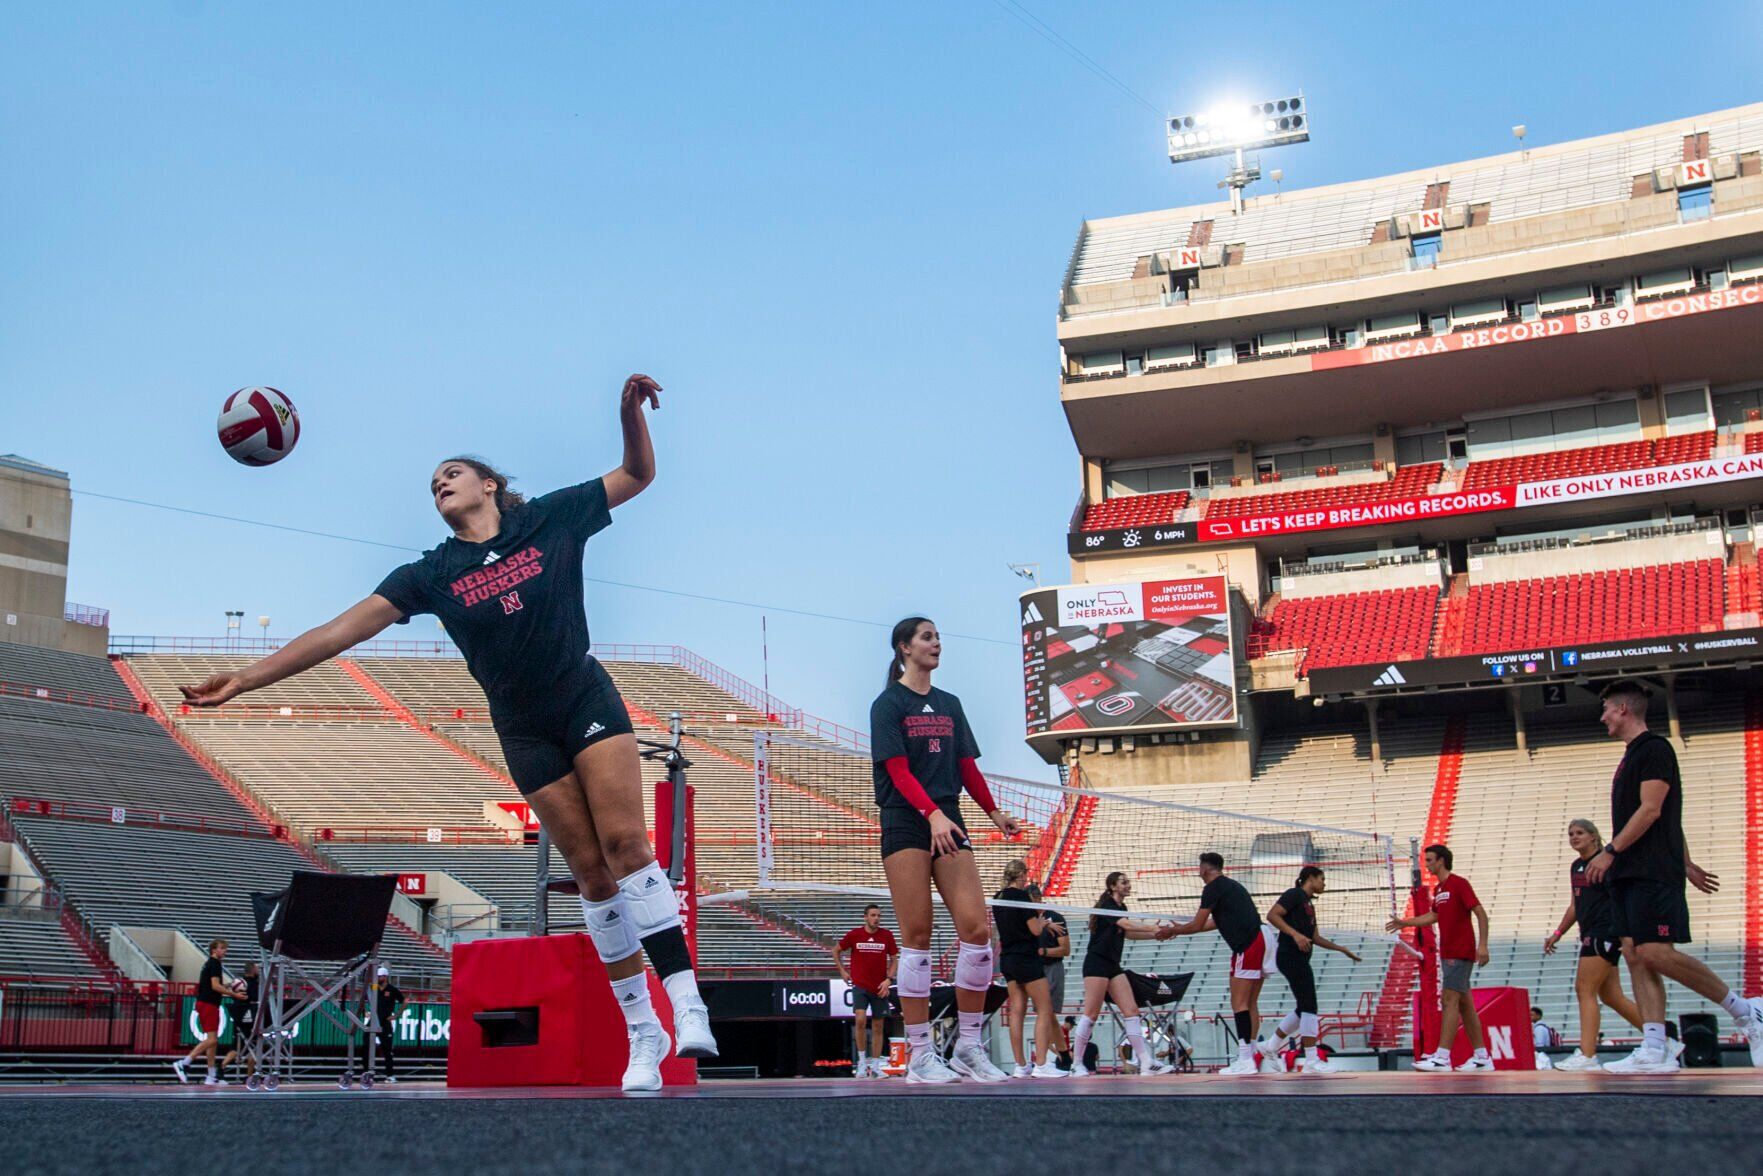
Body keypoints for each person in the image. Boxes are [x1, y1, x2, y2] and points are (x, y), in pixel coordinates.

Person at [177, 376, 717, 1093]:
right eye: (434, 483)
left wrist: (626, 415)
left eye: (453, 473)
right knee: (590, 874)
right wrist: (246, 679)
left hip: (582, 695)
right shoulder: (431, 573)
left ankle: (684, 1002)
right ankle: (640, 1033)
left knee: (626, 846)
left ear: (490, 484)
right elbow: (337, 631)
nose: (441, 484)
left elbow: (639, 475)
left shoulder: (550, 520)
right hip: (522, 727)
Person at [870, 616, 1022, 1084]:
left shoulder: (950, 704)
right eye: (927, 637)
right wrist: (931, 816)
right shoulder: (888, 704)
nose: (937, 644)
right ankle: (919, 1055)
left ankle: (969, 1048)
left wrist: (993, 812)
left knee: (977, 929)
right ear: (904, 648)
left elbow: (966, 767)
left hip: (948, 816)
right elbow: (897, 771)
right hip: (906, 819)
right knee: (916, 936)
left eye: (937, 637)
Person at [1583, 680, 1763, 1073]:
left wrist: (1610, 852)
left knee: (1654, 951)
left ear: (1623, 710)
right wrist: (1688, 862)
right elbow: (1666, 819)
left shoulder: (1655, 749)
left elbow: (1652, 811)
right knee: (1634, 955)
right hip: (1630, 873)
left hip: (1650, 871)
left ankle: (1747, 1012)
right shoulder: (1631, 757)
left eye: (1607, 710)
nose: (1603, 718)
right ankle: (1654, 1048)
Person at [1542, 817, 1645, 1071]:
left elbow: (1622, 899)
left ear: (1593, 836)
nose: (1574, 837)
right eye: (1570, 833)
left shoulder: (1608, 862)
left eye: (1579, 833)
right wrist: (1558, 932)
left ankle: (1588, 1054)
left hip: (1605, 932)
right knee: (1611, 996)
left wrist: (1626, 935)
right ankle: (1661, 1037)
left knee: (1583, 989)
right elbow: (1576, 905)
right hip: (1589, 931)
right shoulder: (1576, 866)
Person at [1387, 844, 1494, 1072]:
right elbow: (1433, 916)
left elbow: (1480, 913)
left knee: (1449, 999)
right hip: (1447, 952)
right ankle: (1482, 1057)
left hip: (1460, 951)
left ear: (1442, 861)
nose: (1427, 864)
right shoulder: (1439, 889)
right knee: (1465, 1005)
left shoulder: (1459, 883)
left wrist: (1482, 945)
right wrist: (1404, 922)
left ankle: (1442, 1056)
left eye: (1430, 860)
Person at [1163, 852, 1270, 1076]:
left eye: (1199, 867)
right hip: (1262, 938)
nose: (1198, 871)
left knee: (1239, 1003)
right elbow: (1212, 923)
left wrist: (1174, 930)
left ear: (1204, 869)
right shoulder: (1230, 885)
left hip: (1248, 943)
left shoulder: (1212, 888)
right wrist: (1180, 929)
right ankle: (1248, 1056)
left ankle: (1245, 1060)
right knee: (1250, 1002)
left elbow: (1197, 925)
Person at [1067, 871, 1176, 1076]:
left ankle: (1146, 1063)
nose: (1128, 885)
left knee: (1132, 1011)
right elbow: (1125, 924)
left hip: (1112, 965)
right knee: (1091, 1014)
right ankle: (1077, 1064)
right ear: (1112, 886)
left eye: (1128, 882)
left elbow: (1128, 933)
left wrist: (1156, 935)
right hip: (1096, 963)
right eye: (1123, 882)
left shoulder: (1121, 907)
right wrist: (1153, 925)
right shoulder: (1108, 904)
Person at [1259, 866, 1361, 1075]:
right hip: (1290, 956)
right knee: (1309, 1007)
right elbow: (1273, 915)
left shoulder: (1309, 905)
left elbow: (1315, 937)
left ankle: (1271, 1045)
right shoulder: (1294, 894)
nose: (1324, 883)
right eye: (1322, 879)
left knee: (1302, 1008)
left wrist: (1340, 949)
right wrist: (1295, 935)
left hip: (1299, 957)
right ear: (1310, 878)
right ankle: (1311, 1060)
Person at [991, 859, 1066, 1078]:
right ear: (1021, 874)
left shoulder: (998, 897)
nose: (1027, 878)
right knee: (1044, 1009)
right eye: (1026, 874)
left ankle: (1021, 1066)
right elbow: (1034, 930)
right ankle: (1041, 1065)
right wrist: (1044, 923)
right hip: (1026, 957)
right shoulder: (1021, 896)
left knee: (1017, 1011)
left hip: (1008, 959)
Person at [836, 904, 898, 1078]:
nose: (876, 918)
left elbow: (894, 959)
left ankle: (876, 1066)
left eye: (878, 915)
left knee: (879, 1025)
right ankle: (862, 1062)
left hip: (879, 987)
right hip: (860, 984)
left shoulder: (887, 935)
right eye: (873, 915)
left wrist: (888, 980)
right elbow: (836, 950)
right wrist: (842, 970)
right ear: (865, 917)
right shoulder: (855, 934)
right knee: (860, 1019)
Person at [173, 939, 238, 1085]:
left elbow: (211, 985)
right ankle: (184, 1063)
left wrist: (227, 986)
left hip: (207, 1002)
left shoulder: (209, 964)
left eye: (225, 948)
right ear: (214, 950)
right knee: (212, 1040)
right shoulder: (215, 964)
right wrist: (234, 994)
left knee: (212, 1041)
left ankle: (211, 1075)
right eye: (222, 948)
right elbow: (215, 986)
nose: (225, 951)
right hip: (208, 1003)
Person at [1028, 882, 1070, 1056]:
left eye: (1030, 900)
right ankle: (1063, 1054)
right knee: (1047, 1015)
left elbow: (1065, 949)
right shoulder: (1028, 920)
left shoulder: (1055, 917)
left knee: (1047, 1014)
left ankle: (1044, 1058)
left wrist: (1043, 951)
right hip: (1034, 969)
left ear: (1038, 898)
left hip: (1052, 968)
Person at [219, 961, 259, 1082]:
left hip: (238, 1016)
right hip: (248, 1018)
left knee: (240, 1045)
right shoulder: (252, 984)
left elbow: (226, 987)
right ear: (252, 970)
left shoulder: (238, 981)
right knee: (250, 1046)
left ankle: (247, 1075)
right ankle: (222, 1067)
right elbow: (254, 999)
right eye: (256, 968)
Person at [374, 965, 405, 1083]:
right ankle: (367, 1073)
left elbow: (404, 1001)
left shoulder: (392, 989)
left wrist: (396, 1015)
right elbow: (364, 994)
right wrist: (365, 1012)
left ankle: (390, 1075)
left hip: (385, 1022)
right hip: (374, 1021)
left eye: (380, 976)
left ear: (385, 977)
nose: (378, 978)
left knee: (387, 1050)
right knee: (367, 1046)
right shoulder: (374, 987)